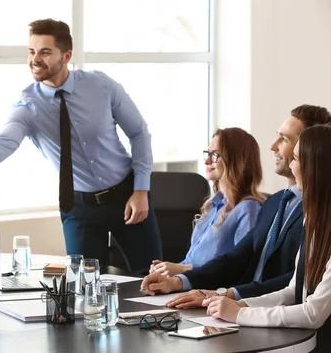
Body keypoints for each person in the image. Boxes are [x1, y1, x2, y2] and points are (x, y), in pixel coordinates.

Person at [0, 18, 162, 274]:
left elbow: (139, 133)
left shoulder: (101, 86)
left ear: (66, 55)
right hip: (78, 206)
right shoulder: (28, 105)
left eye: (45, 52)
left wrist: (141, 190)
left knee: (153, 278)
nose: (35, 59)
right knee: (83, 286)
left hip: (126, 195)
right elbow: (7, 138)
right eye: (31, 51)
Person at [140, 105, 331, 308]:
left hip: (273, 311)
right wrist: (178, 282)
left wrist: (229, 296)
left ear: (310, 150)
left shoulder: (320, 211)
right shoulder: (274, 203)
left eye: (284, 139)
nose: (273, 146)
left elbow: (299, 281)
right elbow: (237, 258)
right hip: (241, 306)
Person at [204, 124, 331, 352]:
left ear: (315, 168)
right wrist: (242, 304)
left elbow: (313, 313)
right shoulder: (313, 221)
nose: (291, 167)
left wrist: (241, 313)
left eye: (295, 159)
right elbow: (294, 291)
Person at [150, 127, 265, 277]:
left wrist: (182, 270)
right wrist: (167, 270)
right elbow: (194, 262)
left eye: (215, 155)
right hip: (190, 284)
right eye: (207, 154)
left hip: (212, 294)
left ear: (236, 160)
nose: (207, 161)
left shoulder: (249, 209)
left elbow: (241, 269)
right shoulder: (212, 206)